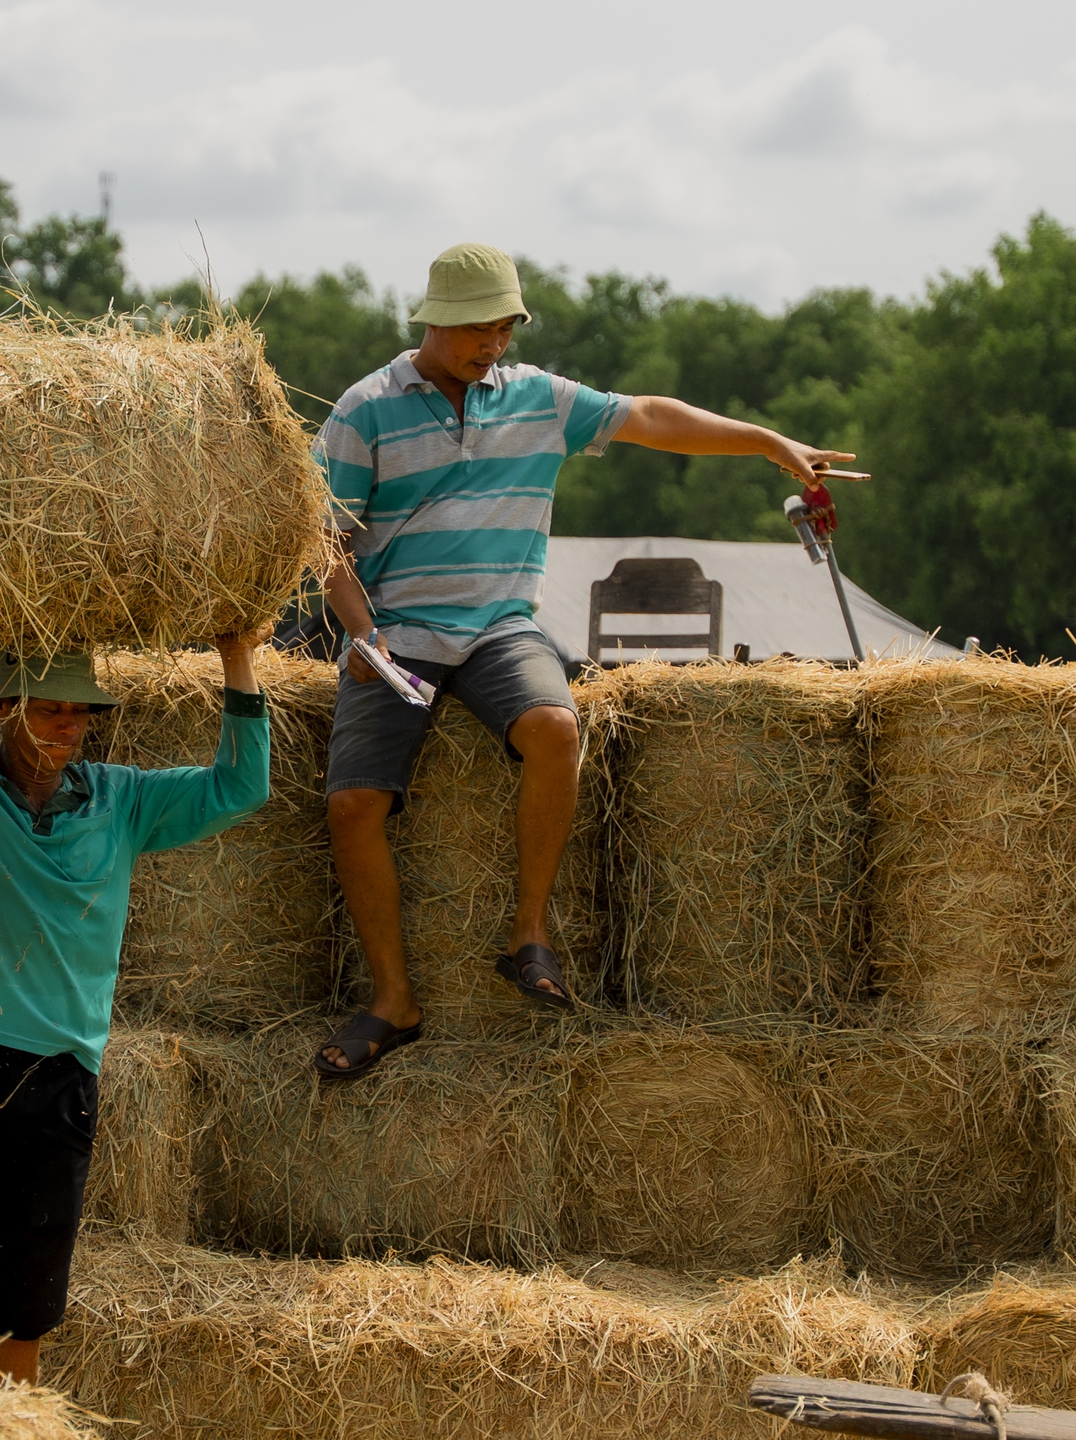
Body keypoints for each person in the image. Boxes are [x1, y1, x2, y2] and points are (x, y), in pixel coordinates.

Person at [313, 243, 859, 1078]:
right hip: (399, 635)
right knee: (353, 803)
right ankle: (393, 1000)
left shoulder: (540, 399)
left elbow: (651, 416)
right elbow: (327, 544)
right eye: (474, 329)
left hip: (501, 627)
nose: (490, 343)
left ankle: (529, 934)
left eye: (503, 326)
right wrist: (362, 634)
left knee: (557, 725)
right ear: (432, 322)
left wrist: (765, 443)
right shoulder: (364, 411)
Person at [0, 457, 272, 1385]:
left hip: (60, 1080)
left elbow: (243, 786)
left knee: (22, 1307)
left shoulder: (122, 804)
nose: (69, 725)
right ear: (3, 708)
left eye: (81, 711)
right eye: (49, 707)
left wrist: (237, 657)